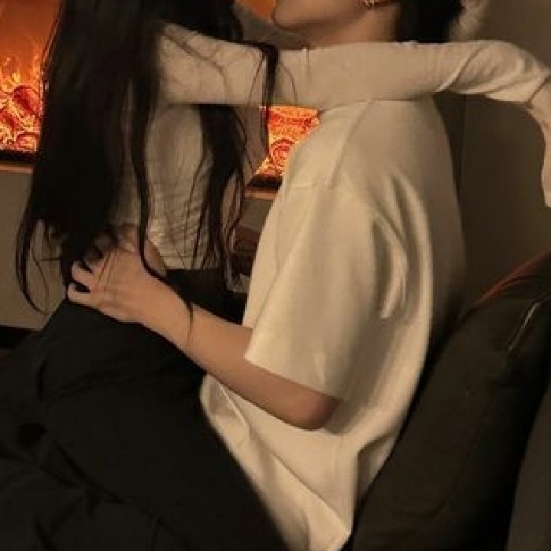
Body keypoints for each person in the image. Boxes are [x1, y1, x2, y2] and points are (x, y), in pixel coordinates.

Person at [2, 0, 551, 550]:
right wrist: (519, 75)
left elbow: (343, 67)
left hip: (175, 328)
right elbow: (314, 74)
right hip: (123, 333)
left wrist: (251, 251)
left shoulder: (334, 123)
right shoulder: (153, 46)